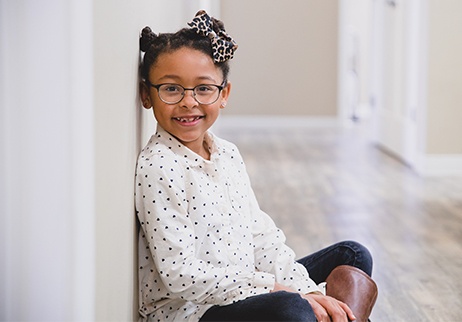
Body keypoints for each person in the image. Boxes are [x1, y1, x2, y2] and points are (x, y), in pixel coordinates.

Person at [136, 10, 373, 322]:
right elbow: (181, 275)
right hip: (194, 311)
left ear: (224, 94)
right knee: (291, 309)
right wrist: (278, 291)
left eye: (203, 88)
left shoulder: (227, 154)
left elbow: (261, 236)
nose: (188, 102)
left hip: (248, 286)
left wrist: (308, 290)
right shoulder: (159, 167)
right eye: (171, 88)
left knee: (353, 256)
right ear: (146, 95)